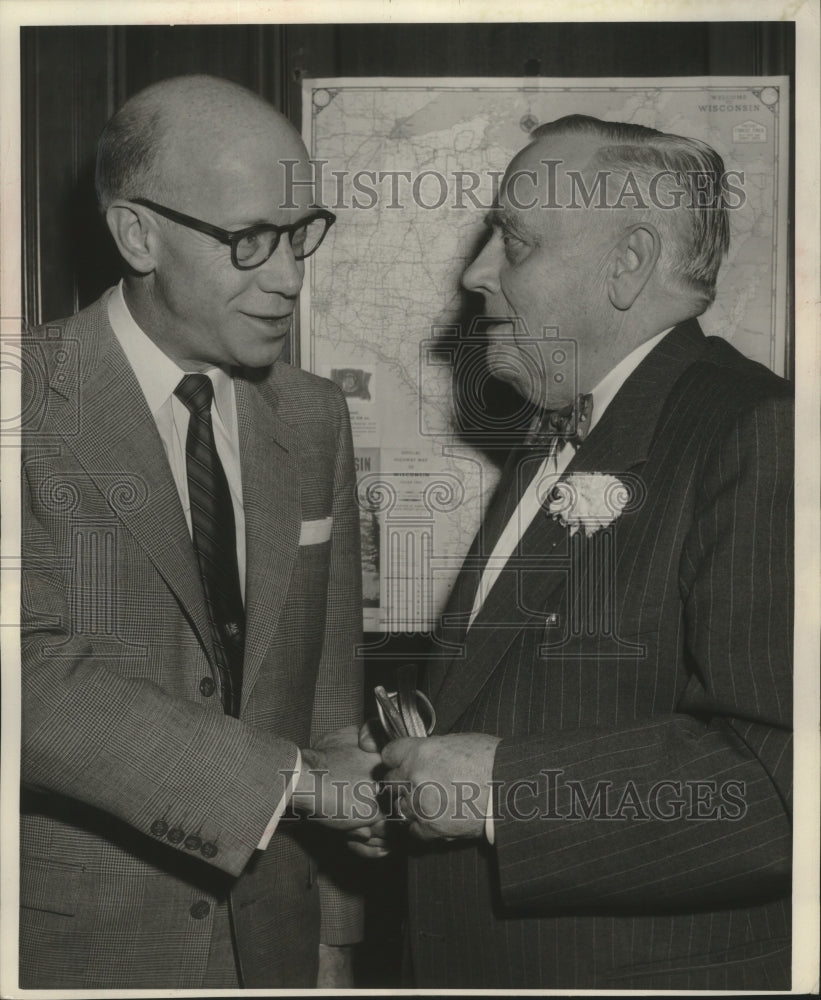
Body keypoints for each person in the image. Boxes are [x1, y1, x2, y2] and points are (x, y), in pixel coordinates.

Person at [374, 115, 793, 989]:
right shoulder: (561, 430)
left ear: (628, 261)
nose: (474, 273)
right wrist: (401, 762)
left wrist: (502, 788)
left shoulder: (758, 431)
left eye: (515, 243)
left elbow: (785, 789)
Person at [20, 74, 385, 990]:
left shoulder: (309, 418)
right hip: (74, 952)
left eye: (301, 235)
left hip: (275, 948)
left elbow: (330, 701)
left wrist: (333, 944)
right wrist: (294, 788)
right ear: (137, 234)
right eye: (250, 240)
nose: (291, 279)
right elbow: (23, 682)